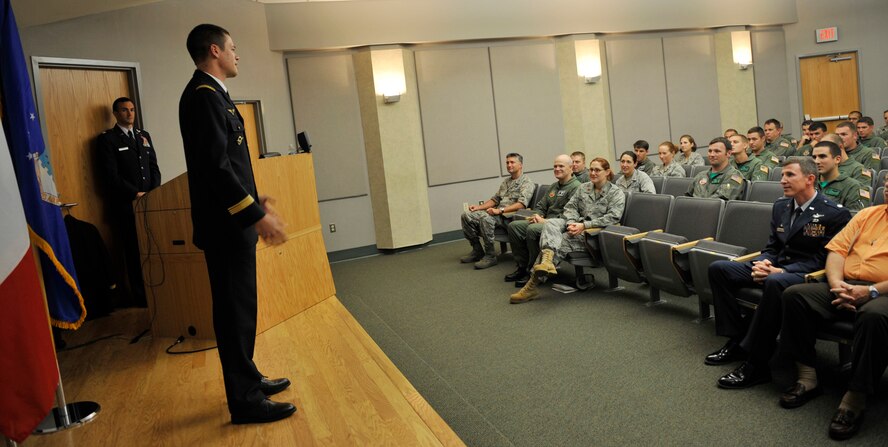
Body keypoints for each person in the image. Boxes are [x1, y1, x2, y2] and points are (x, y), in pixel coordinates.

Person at [179, 23, 294, 425]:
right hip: (226, 228)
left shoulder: (215, 96)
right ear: (215, 51)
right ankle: (245, 402)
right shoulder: (203, 97)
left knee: (241, 309)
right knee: (234, 313)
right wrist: (256, 215)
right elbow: (214, 167)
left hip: (233, 223)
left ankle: (249, 379)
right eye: (233, 48)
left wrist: (254, 199)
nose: (237, 54)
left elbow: (230, 163)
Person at [705, 157, 850, 391]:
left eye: (790, 175)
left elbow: (824, 260)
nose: (782, 180)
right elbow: (773, 247)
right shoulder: (781, 205)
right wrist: (763, 262)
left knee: (774, 281)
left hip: (807, 274)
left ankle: (757, 362)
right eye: (782, 175)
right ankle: (736, 340)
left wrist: (780, 270)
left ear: (810, 179)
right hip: (775, 267)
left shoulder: (834, 214)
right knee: (719, 269)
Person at [778, 181, 888, 440]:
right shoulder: (867, 214)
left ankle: (855, 398)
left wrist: (871, 291)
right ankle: (807, 377)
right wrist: (837, 284)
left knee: (874, 316)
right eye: (886, 184)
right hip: (847, 284)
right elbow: (837, 251)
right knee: (795, 296)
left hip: (883, 291)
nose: (887, 189)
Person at [510, 158, 625, 303]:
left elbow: (613, 218)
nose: (593, 173)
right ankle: (546, 260)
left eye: (597, 170)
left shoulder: (616, 193)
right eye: (591, 169)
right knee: (551, 223)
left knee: (561, 240)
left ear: (607, 172)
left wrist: (584, 226)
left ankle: (531, 285)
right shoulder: (584, 188)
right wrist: (572, 223)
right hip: (574, 226)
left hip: (593, 235)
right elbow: (570, 208)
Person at [95, 96, 161, 307]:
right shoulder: (108, 140)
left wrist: (154, 191)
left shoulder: (143, 136)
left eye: (132, 109)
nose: (130, 114)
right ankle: (141, 297)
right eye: (124, 110)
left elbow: (153, 167)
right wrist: (135, 194)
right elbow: (111, 176)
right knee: (134, 252)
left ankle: (158, 291)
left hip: (150, 202)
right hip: (127, 206)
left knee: (153, 248)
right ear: (115, 114)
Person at [505, 155, 580, 287]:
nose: (557, 169)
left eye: (561, 166)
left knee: (532, 229)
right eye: (555, 166)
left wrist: (543, 221)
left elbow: (569, 216)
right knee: (514, 226)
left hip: (559, 226)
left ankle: (533, 272)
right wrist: (537, 216)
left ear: (571, 168)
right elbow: (540, 206)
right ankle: (522, 267)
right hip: (543, 221)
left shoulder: (576, 187)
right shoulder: (553, 187)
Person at [460, 153, 534, 269]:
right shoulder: (506, 182)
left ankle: (490, 255)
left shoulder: (527, 182)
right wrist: (478, 208)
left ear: (520, 165)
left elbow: (521, 205)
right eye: (507, 162)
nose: (509, 165)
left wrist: (500, 210)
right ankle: (477, 250)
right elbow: (495, 199)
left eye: (512, 162)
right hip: (498, 214)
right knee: (466, 215)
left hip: (510, 217)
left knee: (486, 218)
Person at [812, 141, 870, 212]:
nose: (816, 161)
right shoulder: (809, 182)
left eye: (822, 156)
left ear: (837, 159)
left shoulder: (852, 187)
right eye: (814, 157)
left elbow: (855, 218)